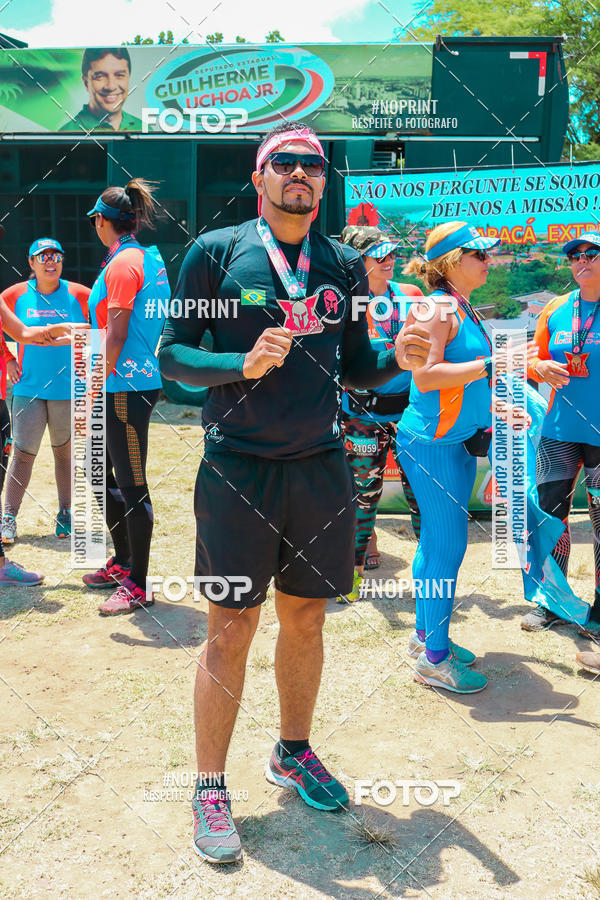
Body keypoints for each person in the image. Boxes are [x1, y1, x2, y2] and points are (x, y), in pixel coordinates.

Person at [159, 121, 431, 864]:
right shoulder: (215, 253)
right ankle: (209, 785)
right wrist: (238, 364)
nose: (300, 174)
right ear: (260, 177)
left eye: (312, 164)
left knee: (307, 620)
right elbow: (173, 356)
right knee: (230, 627)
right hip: (237, 470)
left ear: (323, 181)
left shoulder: (341, 265)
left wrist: (397, 359)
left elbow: (357, 366)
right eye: (284, 163)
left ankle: (294, 749)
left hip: (320, 467)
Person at [398, 221, 528, 694]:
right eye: (481, 254)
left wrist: (497, 405)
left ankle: (425, 638)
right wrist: (494, 365)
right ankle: (434, 659)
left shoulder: (460, 306)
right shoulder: (438, 307)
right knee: (446, 548)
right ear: (453, 260)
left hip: (452, 442)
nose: (489, 261)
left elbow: (463, 383)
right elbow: (426, 378)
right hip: (432, 446)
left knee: (436, 545)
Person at [82, 178, 169, 615]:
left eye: (95, 220)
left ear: (103, 221)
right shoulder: (148, 259)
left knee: (132, 484)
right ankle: (123, 561)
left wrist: (94, 382)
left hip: (124, 387)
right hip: (130, 382)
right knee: (100, 471)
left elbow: (116, 334)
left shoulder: (122, 265)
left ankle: (138, 582)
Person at [524, 231, 600, 658]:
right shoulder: (556, 309)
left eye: (592, 253)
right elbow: (533, 361)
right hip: (558, 431)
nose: (582, 260)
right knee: (551, 518)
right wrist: (539, 364)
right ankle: (553, 602)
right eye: (574, 255)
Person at [338, 225, 422, 600]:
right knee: (362, 497)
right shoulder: (342, 303)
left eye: (392, 254)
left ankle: (430, 581)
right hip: (361, 415)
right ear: (359, 261)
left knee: (420, 494)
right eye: (380, 255)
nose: (389, 261)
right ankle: (350, 578)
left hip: (410, 415)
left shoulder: (411, 295)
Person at [0, 259, 87, 583]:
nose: (51, 262)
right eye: (43, 257)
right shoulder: (15, 294)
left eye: (57, 256)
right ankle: (8, 517)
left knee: (63, 452)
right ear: (31, 263)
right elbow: (10, 329)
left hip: (67, 390)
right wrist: (8, 357)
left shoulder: (79, 294)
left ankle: (65, 514)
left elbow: (101, 325)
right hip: (28, 389)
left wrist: (87, 363)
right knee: (22, 453)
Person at [60, 48, 142, 132]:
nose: (111, 86)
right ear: (86, 83)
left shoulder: (144, 129)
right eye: (100, 76)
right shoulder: (65, 134)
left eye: (119, 75)